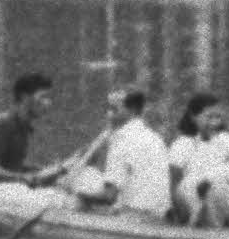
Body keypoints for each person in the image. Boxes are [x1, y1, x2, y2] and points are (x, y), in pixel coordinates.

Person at [71, 88, 174, 221]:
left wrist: (79, 195)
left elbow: (109, 196)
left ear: (131, 111)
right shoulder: (156, 138)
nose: (108, 115)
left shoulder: (122, 140)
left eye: (114, 110)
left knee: (83, 180)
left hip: (135, 218)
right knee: (92, 174)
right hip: (160, 216)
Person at [0, 73, 59, 185]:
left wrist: (39, 171)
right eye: (43, 97)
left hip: (8, 188)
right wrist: (23, 177)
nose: (48, 103)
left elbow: (12, 166)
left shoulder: (24, 126)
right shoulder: (3, 125)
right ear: (25, 97)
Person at [165, 92, 229, 221]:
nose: (214, 122)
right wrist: (180, 215)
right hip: (191, 207)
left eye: (218, 117)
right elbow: (173, 186)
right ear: (194, 117)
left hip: (220, 205)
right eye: (209, 117)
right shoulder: (183, 144)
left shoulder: (227, 141)